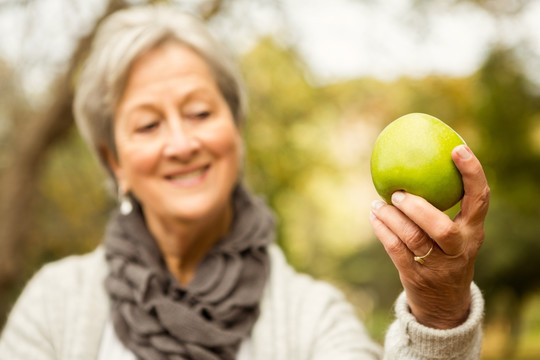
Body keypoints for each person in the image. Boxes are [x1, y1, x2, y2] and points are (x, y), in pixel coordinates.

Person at [0, 4, 490, 360]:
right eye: (148, 125)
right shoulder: (54, 305)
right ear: (115, 162)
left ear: (235, 129)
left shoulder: (312, 316)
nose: (181, 143)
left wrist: (439, 316)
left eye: (199, 112)